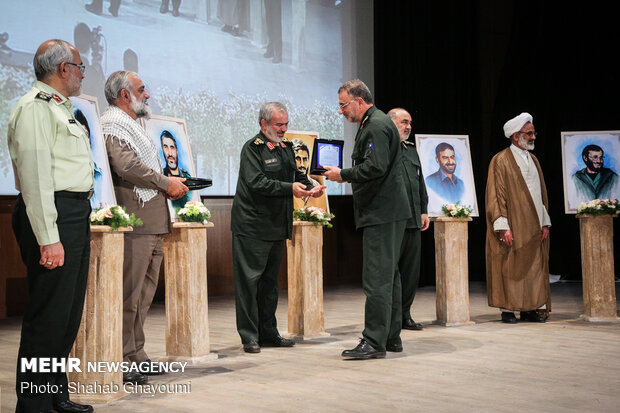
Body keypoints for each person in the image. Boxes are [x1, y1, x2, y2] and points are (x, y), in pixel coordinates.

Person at [9, 39, 94, 413]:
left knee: (67, 315)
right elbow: (36, 178)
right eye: (79, 66)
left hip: (73, 213)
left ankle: (54, 397)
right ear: (63, 69)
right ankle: (33, 406)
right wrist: (48, 238)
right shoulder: (35, 108)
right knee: (48, 317)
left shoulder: (62, 108)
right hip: (51, 213)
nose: (81, 73)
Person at [101, 70, 189, 383]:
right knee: (129, 295)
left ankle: (137, 354)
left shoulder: (133, 125)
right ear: (125, 95)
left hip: (152, 221)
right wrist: (167, 182)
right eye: (141, 89)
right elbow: (127, 167)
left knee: (143, 297)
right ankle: (124, 359)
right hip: (135, 221)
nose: (147, 94)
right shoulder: (112, 123)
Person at [323, 80, 411, 359]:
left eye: (343, 105)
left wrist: (342, 175)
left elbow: (375, 166)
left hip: (382, 213)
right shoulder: (377, 123)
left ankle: (374, 341)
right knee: (389, 278)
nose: (341, 112)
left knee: (377, 279)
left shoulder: (375, 125)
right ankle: (390, 337)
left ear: (360, 101)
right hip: (388, 211)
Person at [231, 102, 325, 354]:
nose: (284, 129)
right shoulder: (253, 148)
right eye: (278, 125)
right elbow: (256, 182)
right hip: (252, 225)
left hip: (276, 225)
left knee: (270, 285)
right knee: (249, 284)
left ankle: (269, 333)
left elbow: (296, 176)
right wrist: (290, 188)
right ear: (264, 124)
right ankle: (250, 336)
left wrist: (311, 185)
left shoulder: (285, 148)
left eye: (286, 124)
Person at [485, 112, 551, 324]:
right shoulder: (501, 160)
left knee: (533, 267)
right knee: (510, 266)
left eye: (533, 133)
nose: (533, 137)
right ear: (516, 136)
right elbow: (496, 195)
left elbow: (540, 194)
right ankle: (508, 310)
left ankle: (529, 309)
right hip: (513, 223)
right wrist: (503, 226)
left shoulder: (534, 160)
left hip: (533, 225)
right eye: (528, 133)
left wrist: (545, 222)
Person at [388, 108, 430, 331]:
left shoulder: (411, 149)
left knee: (411, 271)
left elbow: (419, 180)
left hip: (414, 219)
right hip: (394, 220)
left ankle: (405, 314)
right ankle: (392, 316)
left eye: (410, 123)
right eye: (404, 122)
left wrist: (424, 209)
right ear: (391, 123)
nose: (408, 127)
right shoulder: (385, 147)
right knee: (391, 271)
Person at [161, 129, 192, 209]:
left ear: (177, 151)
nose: (170, 153)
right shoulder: (161, 176)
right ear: (163, 150)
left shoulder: (186, 175)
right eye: (165, 147)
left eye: (172, 147)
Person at [291, 138, 323, 208]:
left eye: (305, 159)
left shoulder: (316, 185)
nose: (302, 164)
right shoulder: (286, 183)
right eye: (298, 159)